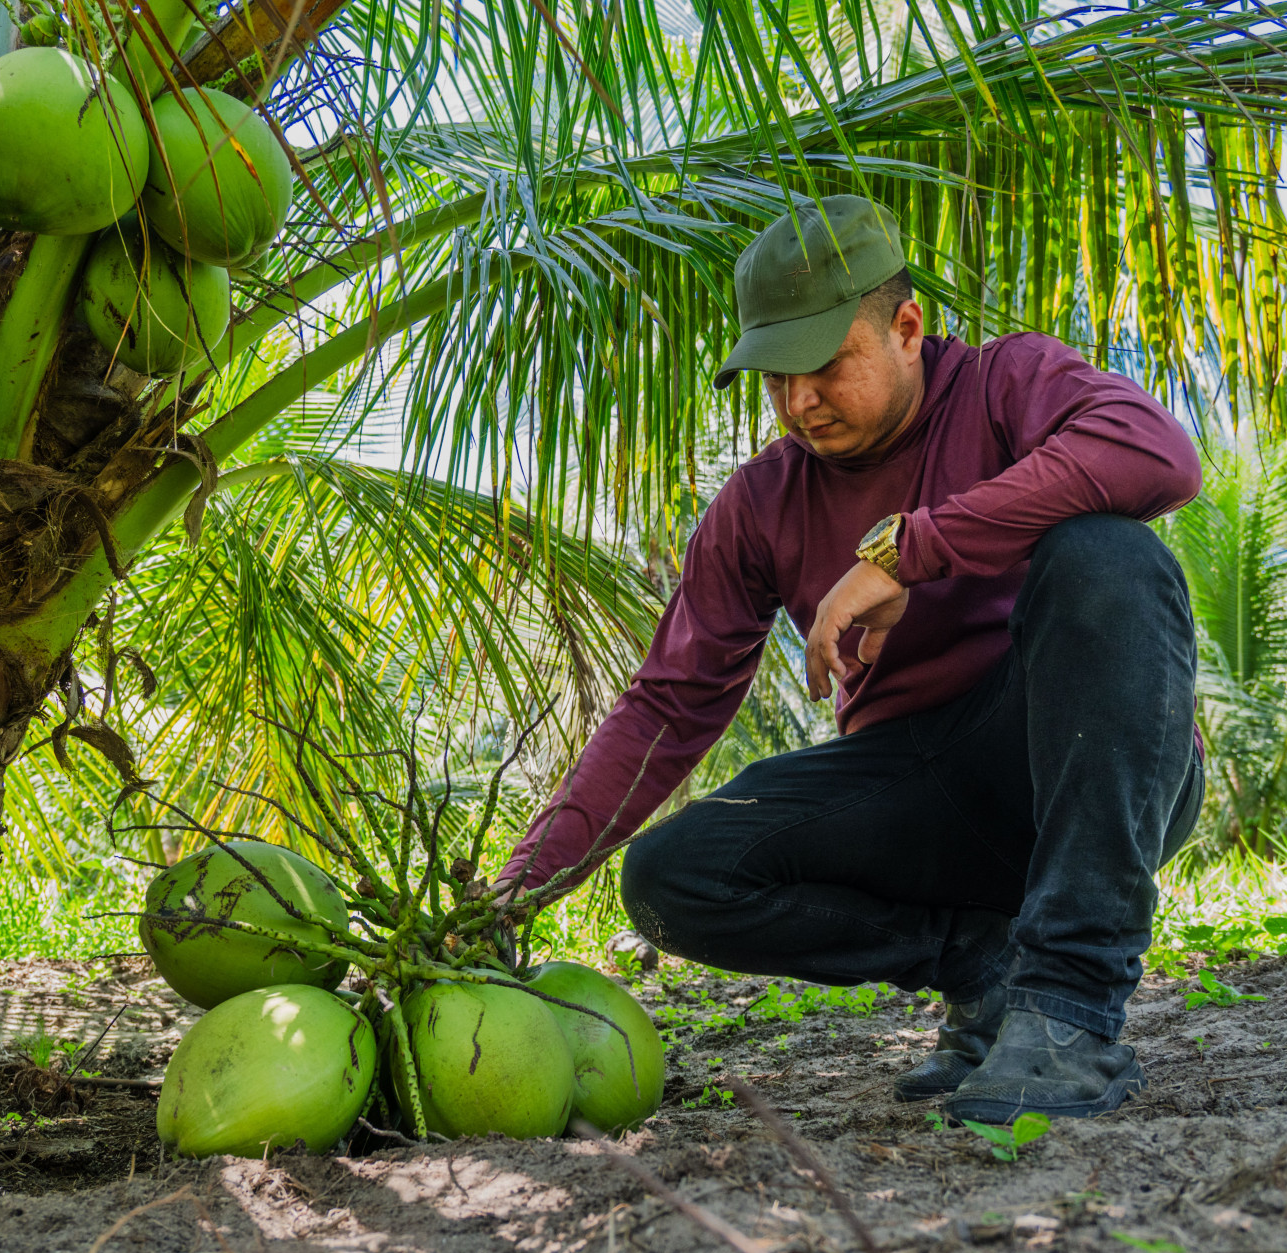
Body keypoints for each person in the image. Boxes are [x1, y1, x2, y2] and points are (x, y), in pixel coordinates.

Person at [494, 194, 1205, 1121]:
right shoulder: (758, 506)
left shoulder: (1005, 382)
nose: (799, 403)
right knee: (672, 879)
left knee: (1111, 555)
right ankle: (983, 967)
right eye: (775, 378)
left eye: (825, 366)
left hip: (1083, 766)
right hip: (916, 793)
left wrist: (913, 548)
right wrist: (518, 888)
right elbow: (665, 709)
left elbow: (1156, 454)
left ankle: (1067, 1009)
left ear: (906, 327)